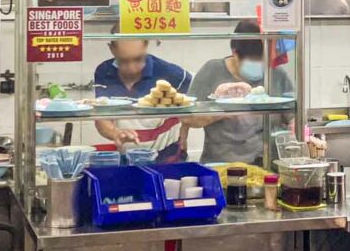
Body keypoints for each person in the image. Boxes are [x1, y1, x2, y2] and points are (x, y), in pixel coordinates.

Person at [184, 19, 294, 164]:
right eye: (254, 62)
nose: (260, 68)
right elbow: (189, 119)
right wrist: (226, 110)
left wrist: (296, 127)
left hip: (268, 164)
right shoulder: (213, 71)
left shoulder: (276, 74)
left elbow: (292, 115)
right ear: (235, 53)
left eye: (264, 61)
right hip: (223, 164)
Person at [93, 34, 192, 163]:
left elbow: (194, 102)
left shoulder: (169, 72)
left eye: (138, 59)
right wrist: (114, 133)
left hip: (169, 159)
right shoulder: (104, 72)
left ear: (146, 46)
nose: (131, 67)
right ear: (112, 49)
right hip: (128, 159)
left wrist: (185, 127)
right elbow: (102, 116)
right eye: (123, 61)